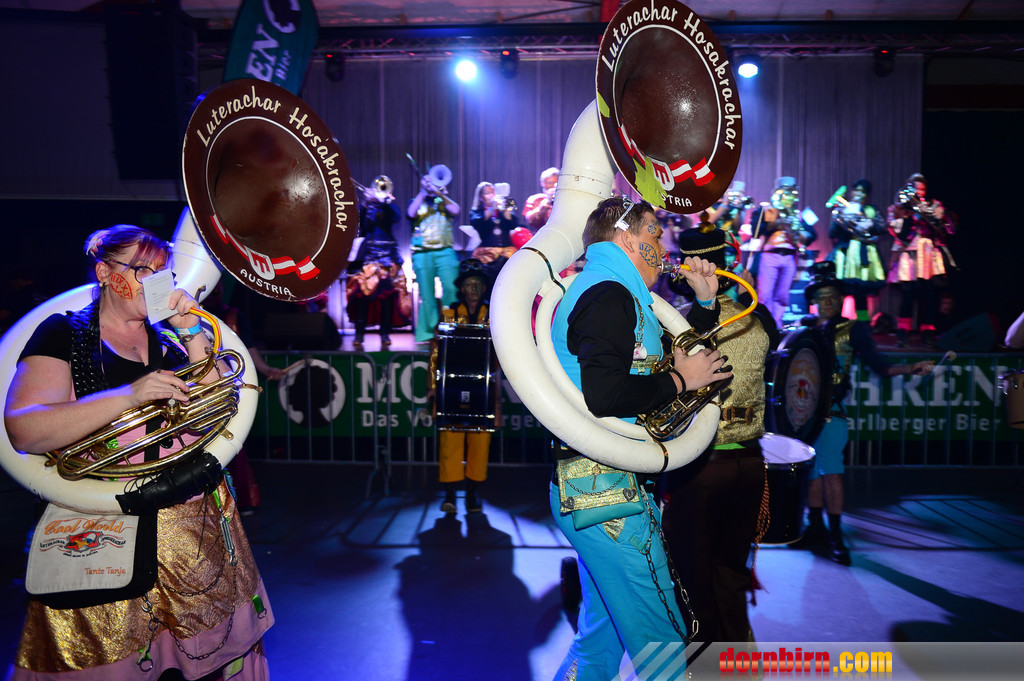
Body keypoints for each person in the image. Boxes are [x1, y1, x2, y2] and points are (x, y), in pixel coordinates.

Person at [3, 225, 272, 679]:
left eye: (164, 273)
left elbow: (215, 419)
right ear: (104, 273)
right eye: (143, 270)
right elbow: (25, 429)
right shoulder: (62, 333)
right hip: (104, 539)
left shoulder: (169, 341)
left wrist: (192, 333)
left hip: (194, 542)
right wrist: (129, 395)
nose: (156, 283)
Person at [549, 196, 730, 680]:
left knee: (600, 642)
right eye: (655, 233)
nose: (663, 245)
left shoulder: (614, 292)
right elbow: (607, 394)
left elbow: (676, 368)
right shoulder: (608, 294)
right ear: (627, 238)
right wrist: (681, 380)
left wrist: (704, 307)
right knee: (663, 646)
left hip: (603, 489)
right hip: (608, 496)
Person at [661, 222, 779, 643]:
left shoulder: (679, 321)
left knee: (691, 574)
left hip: (701, 467)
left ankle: (700, 663)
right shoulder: (759, 319)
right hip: (749, 463)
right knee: (731, 573)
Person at [800, 261, 934, 565]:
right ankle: (815, 528)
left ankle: (835, 535)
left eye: (833, 296)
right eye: (822, 296)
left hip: (832, 412)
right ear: (814, 300)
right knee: (812, 472)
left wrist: (910, 368)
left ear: (841, 299)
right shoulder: (804, 328)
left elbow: (879, 365)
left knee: (831, 470)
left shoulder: (853, 329)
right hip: (803, 414)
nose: (828, 302)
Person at [429, 259, 495, 514]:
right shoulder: (449, 315)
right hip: (451, 389)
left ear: (484, 287)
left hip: (483, 388)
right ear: (461, 288)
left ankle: (472, 494)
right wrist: (432, 384)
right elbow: (435, 352)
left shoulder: (494, 314)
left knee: (480, 442)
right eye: (469, 284)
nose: (474, 288)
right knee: (450, 441)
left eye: (478, 283)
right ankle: (449, 496)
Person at [886, 173, 956, 347]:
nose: (919, 192)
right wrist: (910, 216)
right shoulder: (900, 209)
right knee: (908, 295)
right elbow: (899, 234)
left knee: (930, 295)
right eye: (916, 189)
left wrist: (937, 214)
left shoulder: (934, 205)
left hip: (930, 255)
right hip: (911, 255)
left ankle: (928, 332)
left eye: (922, 189)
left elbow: (947, 229)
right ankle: (903, 332)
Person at [349, 178, 408, 349]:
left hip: (388, 256)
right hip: (368, 255)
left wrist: (387, 201)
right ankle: (359, 334)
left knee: (387, 297)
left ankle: (384, 333)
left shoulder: (388, 206)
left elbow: (397, 217)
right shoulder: (366, 207)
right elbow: (360, 223)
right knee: (362, 296)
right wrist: (366, 202)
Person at [751, 177, 817, 328]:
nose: (788, 196)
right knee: (765, 294)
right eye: (785, 192)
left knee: (782, 295)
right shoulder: (765, 210)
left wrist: (799, 230)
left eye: (791, 192)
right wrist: (780, 221)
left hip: (790, 257)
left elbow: (812, 234)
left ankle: (777, 325)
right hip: (770, 255)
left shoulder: (800, 213)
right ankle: (764, 326)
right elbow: (756, 230)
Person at [408, 164, 461, 343]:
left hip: (445, 251)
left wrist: (439, 193)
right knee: (427, 295)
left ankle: (451, 327)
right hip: (422, 253)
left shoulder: (444, 202)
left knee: (452, 289)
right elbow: (410, 213)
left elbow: (456, 210)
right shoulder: (417, 200)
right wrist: (423, 191)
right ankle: (427, 333)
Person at [826, 179, 887, 322]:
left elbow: (882, 228)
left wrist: (869, 223)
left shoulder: (871, 210)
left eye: (862, 191)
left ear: (867, 195)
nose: (858, 194)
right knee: (839, 291)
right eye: (856, 190)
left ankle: (863, 324)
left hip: (863, 255)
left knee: (860, 294)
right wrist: (839, 220)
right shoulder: (842, 209)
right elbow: (831, 234)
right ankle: (835, 324)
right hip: (844, 255)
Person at [469, 181, 520, 282]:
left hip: (507, 252)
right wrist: (492, 207)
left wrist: (505, 210)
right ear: (480, 197)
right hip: (487, 253)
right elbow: (479, 223)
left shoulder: (501, 211)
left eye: (492, 192)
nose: (491, 195)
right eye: (487, 193)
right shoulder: (477, 212)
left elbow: (513, 224)